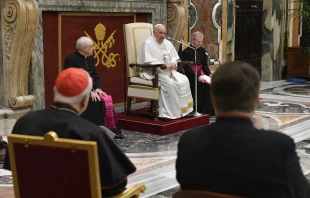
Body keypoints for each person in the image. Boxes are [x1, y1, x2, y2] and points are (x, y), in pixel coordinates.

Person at [176, 61, 310, 197]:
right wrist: (261, 138)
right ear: (257, 101)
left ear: (213, 100)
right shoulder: (278, 146)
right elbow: (302, 193)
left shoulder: (189, 142)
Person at [3, 68, 136, 197]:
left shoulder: (24, 122)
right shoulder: (90, 133)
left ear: (55, 92)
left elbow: (13, 168)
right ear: (85, 100)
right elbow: (116, 185)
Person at [64, 36, 124, 139]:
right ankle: (95, 133)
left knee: (105, 99)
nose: (93, 48)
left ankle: (110, 131)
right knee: (94, 101)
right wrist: (88, 92)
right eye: (91, 46)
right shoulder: (71, 59)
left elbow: (95, 75)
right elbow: (73, 80)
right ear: (84, 48)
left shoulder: (91, 57)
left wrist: (98, 89)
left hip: (92, 88)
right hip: (78, 91)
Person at [137, 24, 193, 120]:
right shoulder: (148, 43)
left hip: (169, 71)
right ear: (154, 33)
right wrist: (164, 65)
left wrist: (173, 64)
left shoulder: (167, 43)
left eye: (164, 33)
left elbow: (175, 58)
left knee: (184, 80)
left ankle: (183, 111)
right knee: (170, 84)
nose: (162, 35)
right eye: (160, 33)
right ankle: (166, 113)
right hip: (154, 72)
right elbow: (147, 61)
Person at [181, 31, 213, 115]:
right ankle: (196, 110)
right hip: (190, 76)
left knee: (207, 85)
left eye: (201, 41)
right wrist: (197, 77)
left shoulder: (202, 50)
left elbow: (204, 65)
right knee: (201, 86)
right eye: (198, 41)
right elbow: (187, 68)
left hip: (201, 74)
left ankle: (205, 111)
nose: (199, 43)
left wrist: (209, 74)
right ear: (193, 40)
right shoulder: (186, 51)